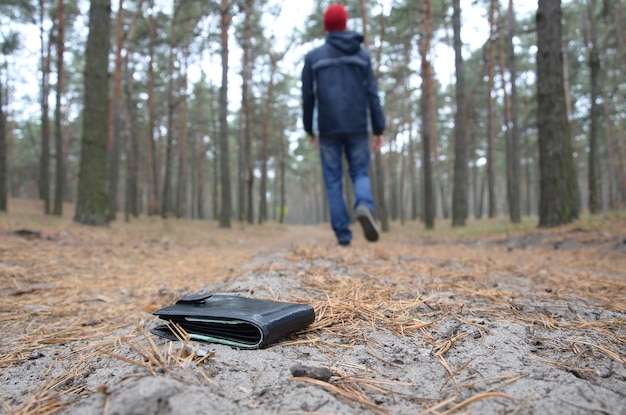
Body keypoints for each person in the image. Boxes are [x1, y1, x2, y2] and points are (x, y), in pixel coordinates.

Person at [301, 3, 386, 246]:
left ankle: (343, 235)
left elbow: (307, 97)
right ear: (345, 24)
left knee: (333, 180)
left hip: (328, 129)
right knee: (359, 172)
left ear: (326, 27)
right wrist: (378, 128)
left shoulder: (314, 57)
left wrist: (310, 129)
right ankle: (363, 205)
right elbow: (373, 93)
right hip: (358, 126)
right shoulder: (361, 55)